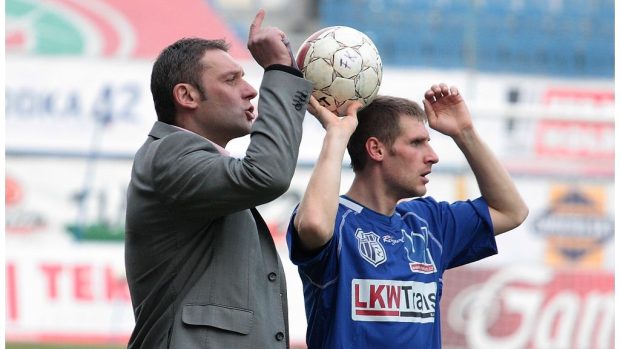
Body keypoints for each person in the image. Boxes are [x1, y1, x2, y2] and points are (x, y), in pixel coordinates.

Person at [124, 9, 313, 349]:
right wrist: (280, 72)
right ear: (187, 96)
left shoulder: (203, 166)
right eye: (231, 79)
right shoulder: (168, 152)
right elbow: (266, 175)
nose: (250, 90)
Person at [287, 85, 529, 348]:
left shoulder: (428, 223)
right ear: (376, 149)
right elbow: (313, 225)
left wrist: (465, 133)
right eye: (416, 143)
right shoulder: (337, 220)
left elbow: (512, 211)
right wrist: (336, 136)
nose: (433, 157)